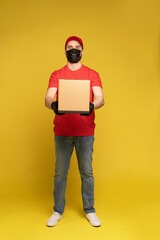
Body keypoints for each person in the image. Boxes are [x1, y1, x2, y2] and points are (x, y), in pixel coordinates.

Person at [45, 36, 104, 227]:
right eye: (69, 47)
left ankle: (89, 210)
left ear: (82, 51)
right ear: (65, 51)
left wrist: (91, 106)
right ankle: (57, 210)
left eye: (77, 47)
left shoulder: (92, 74)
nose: (73, 50)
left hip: (85, 131)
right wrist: (53, 104)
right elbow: (47, 97)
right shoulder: (57, 74)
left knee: (87, 172)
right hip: (62, 131)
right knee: (60, 173)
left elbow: (101, 98)